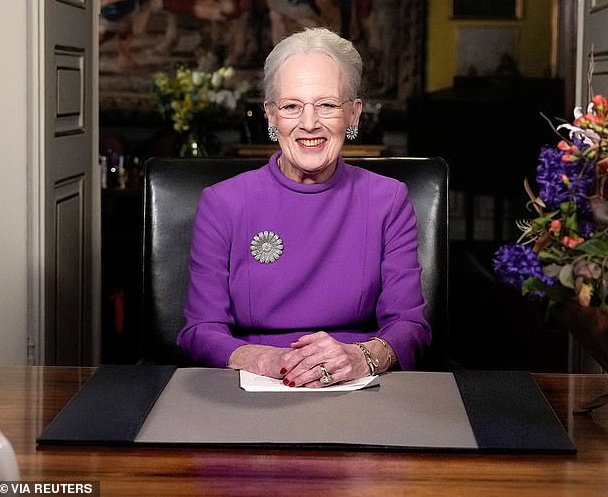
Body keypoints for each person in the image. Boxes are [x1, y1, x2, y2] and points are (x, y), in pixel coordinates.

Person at [177, 27, 431, 387]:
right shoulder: (222, 203)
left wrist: (361, 357)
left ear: (353, 115)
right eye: (292, 106)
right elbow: (200, 331)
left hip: (355, 387)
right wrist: (270, 360)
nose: (309, 123)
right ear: (270, 115)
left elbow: (410, 326)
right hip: (252, 386)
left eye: (326, 105)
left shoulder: (388, 200)